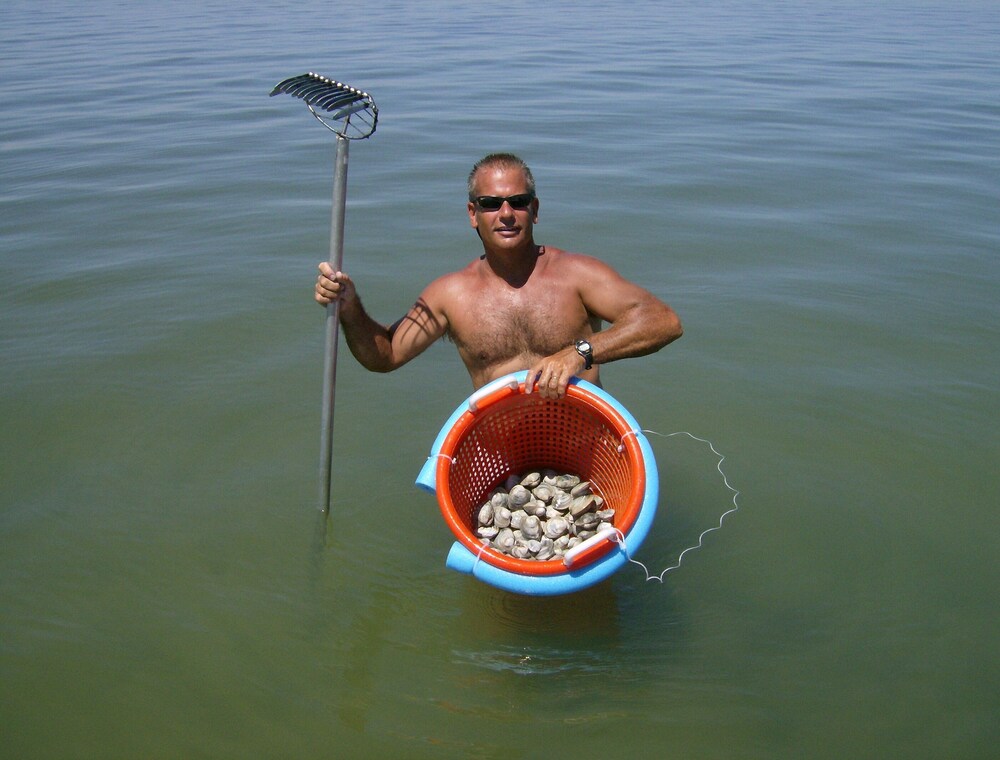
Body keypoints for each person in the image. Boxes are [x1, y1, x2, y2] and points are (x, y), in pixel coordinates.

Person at [314, 153, 682, 399]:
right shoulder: (450, 294)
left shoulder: (577, 274)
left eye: (518, 201)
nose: (506, 213)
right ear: (473, 214)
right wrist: (351, 309)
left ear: (534, 210)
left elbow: (663, 321)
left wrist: (579, 353)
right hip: (500, 446)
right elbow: (387, 356)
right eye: (491, 204)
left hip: (583, 434)